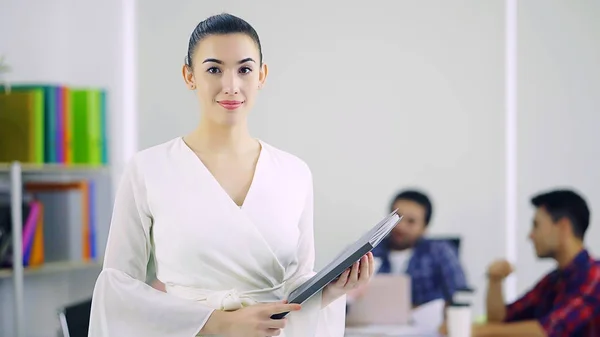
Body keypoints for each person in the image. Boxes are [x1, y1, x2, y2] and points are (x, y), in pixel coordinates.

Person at [88, 13, 375, 337]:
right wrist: (216, 323)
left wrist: (332, 292)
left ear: (262, 75)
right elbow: (117, 289)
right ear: (189, 75)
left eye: (244, 69)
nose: (231, 85)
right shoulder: (147, 168)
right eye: (214, 69)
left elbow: (297, 283)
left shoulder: (294, 172)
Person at [442, 189, 600, 336]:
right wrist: (495, 281)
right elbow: (501, 319)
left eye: (536, 225)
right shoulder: (554, 280)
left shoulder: (595, 276)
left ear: (563, 227)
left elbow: (548, 331)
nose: (530, 236)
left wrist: (474, 330)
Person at [349, 189, 468, 309]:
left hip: (426, 325)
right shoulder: (368, 249)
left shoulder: (440, 252)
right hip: (368, 324)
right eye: (396, 218)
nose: (400, 226)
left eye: (411, 221)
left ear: (424, 227)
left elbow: (459, 295)